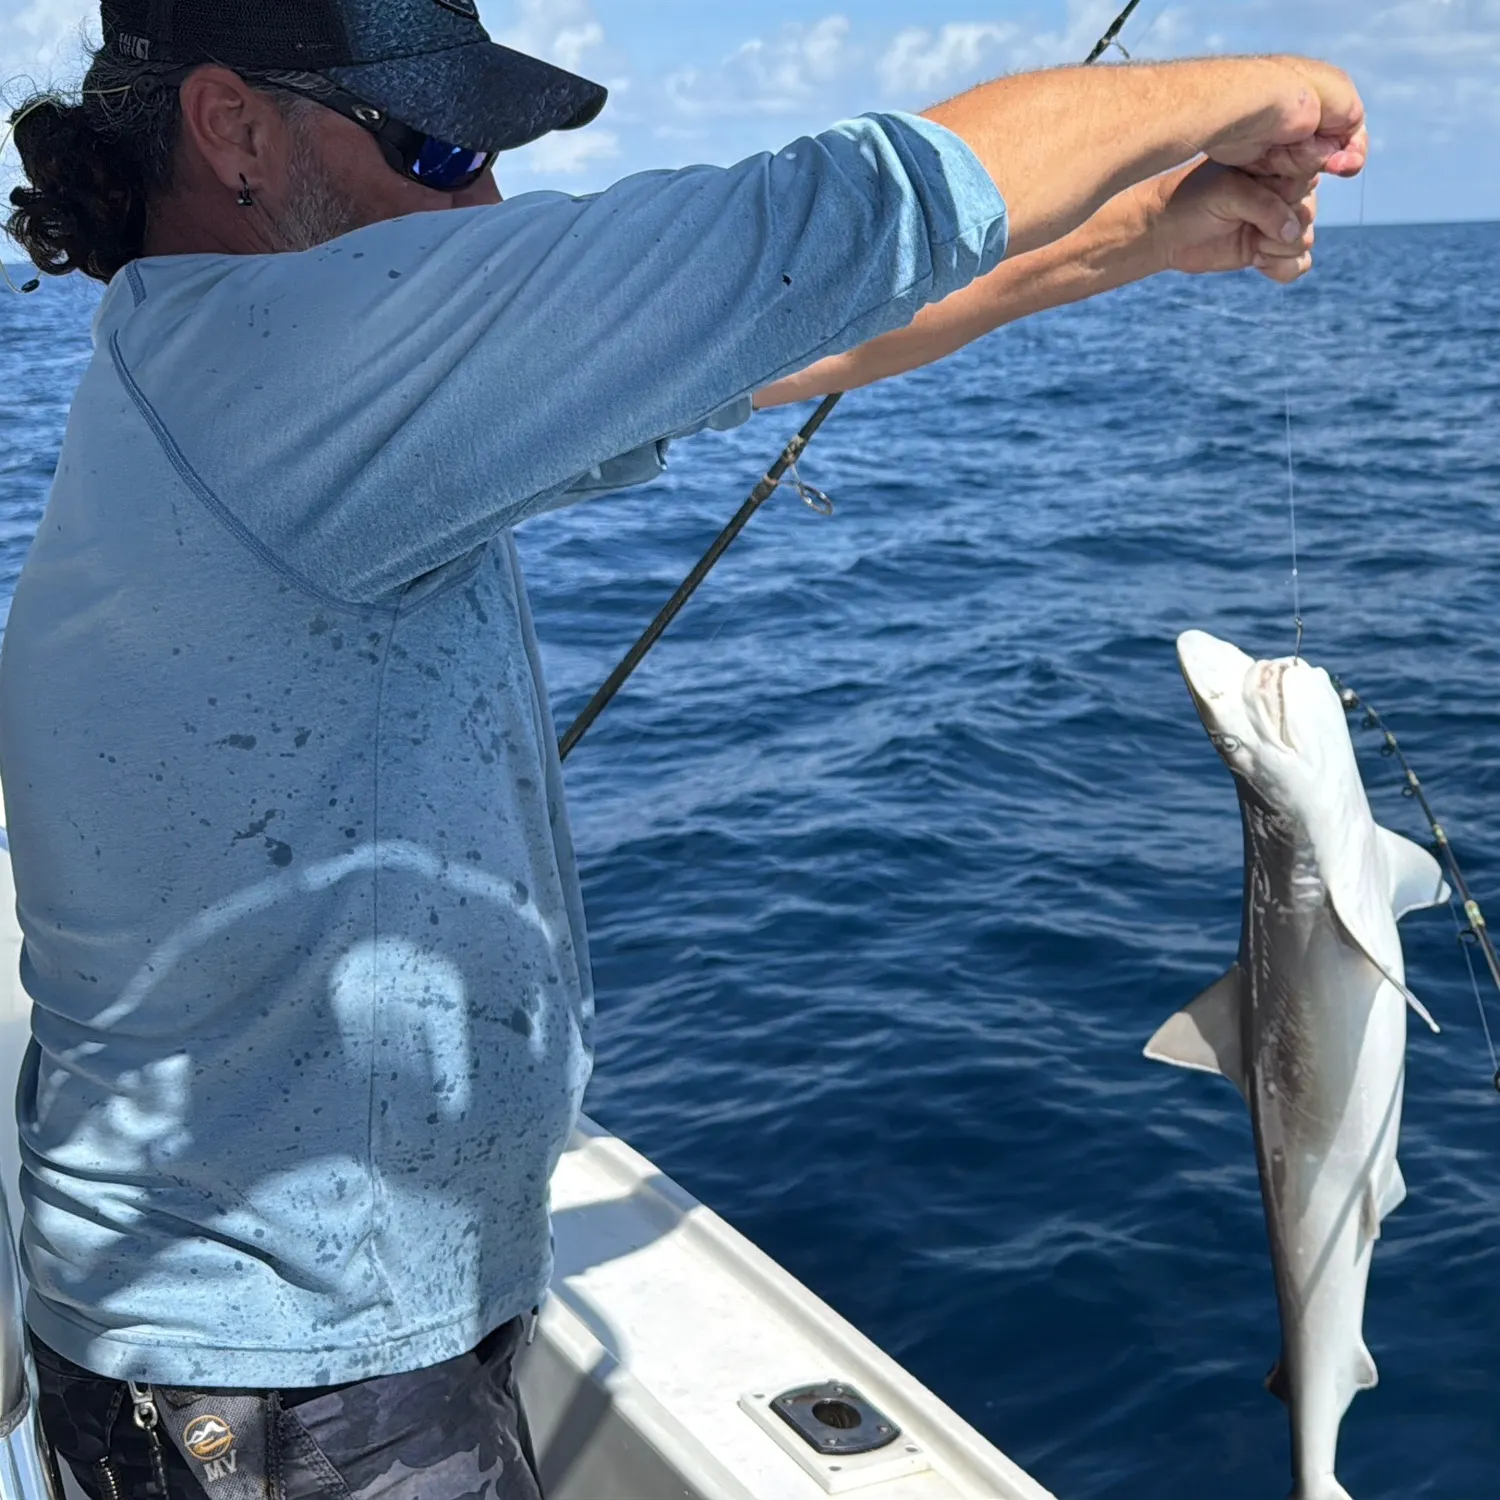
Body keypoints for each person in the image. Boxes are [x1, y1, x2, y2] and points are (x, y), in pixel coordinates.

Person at [0, 0, 1364, 1495]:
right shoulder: (282, 365)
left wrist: (1134, 242)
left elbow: (769, 340)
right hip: (285, 1385)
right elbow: (830, 224)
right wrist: (1268, 85)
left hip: (272, 1351)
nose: (487, 202)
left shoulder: (243, 374)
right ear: (235, 129)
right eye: (440, 146)